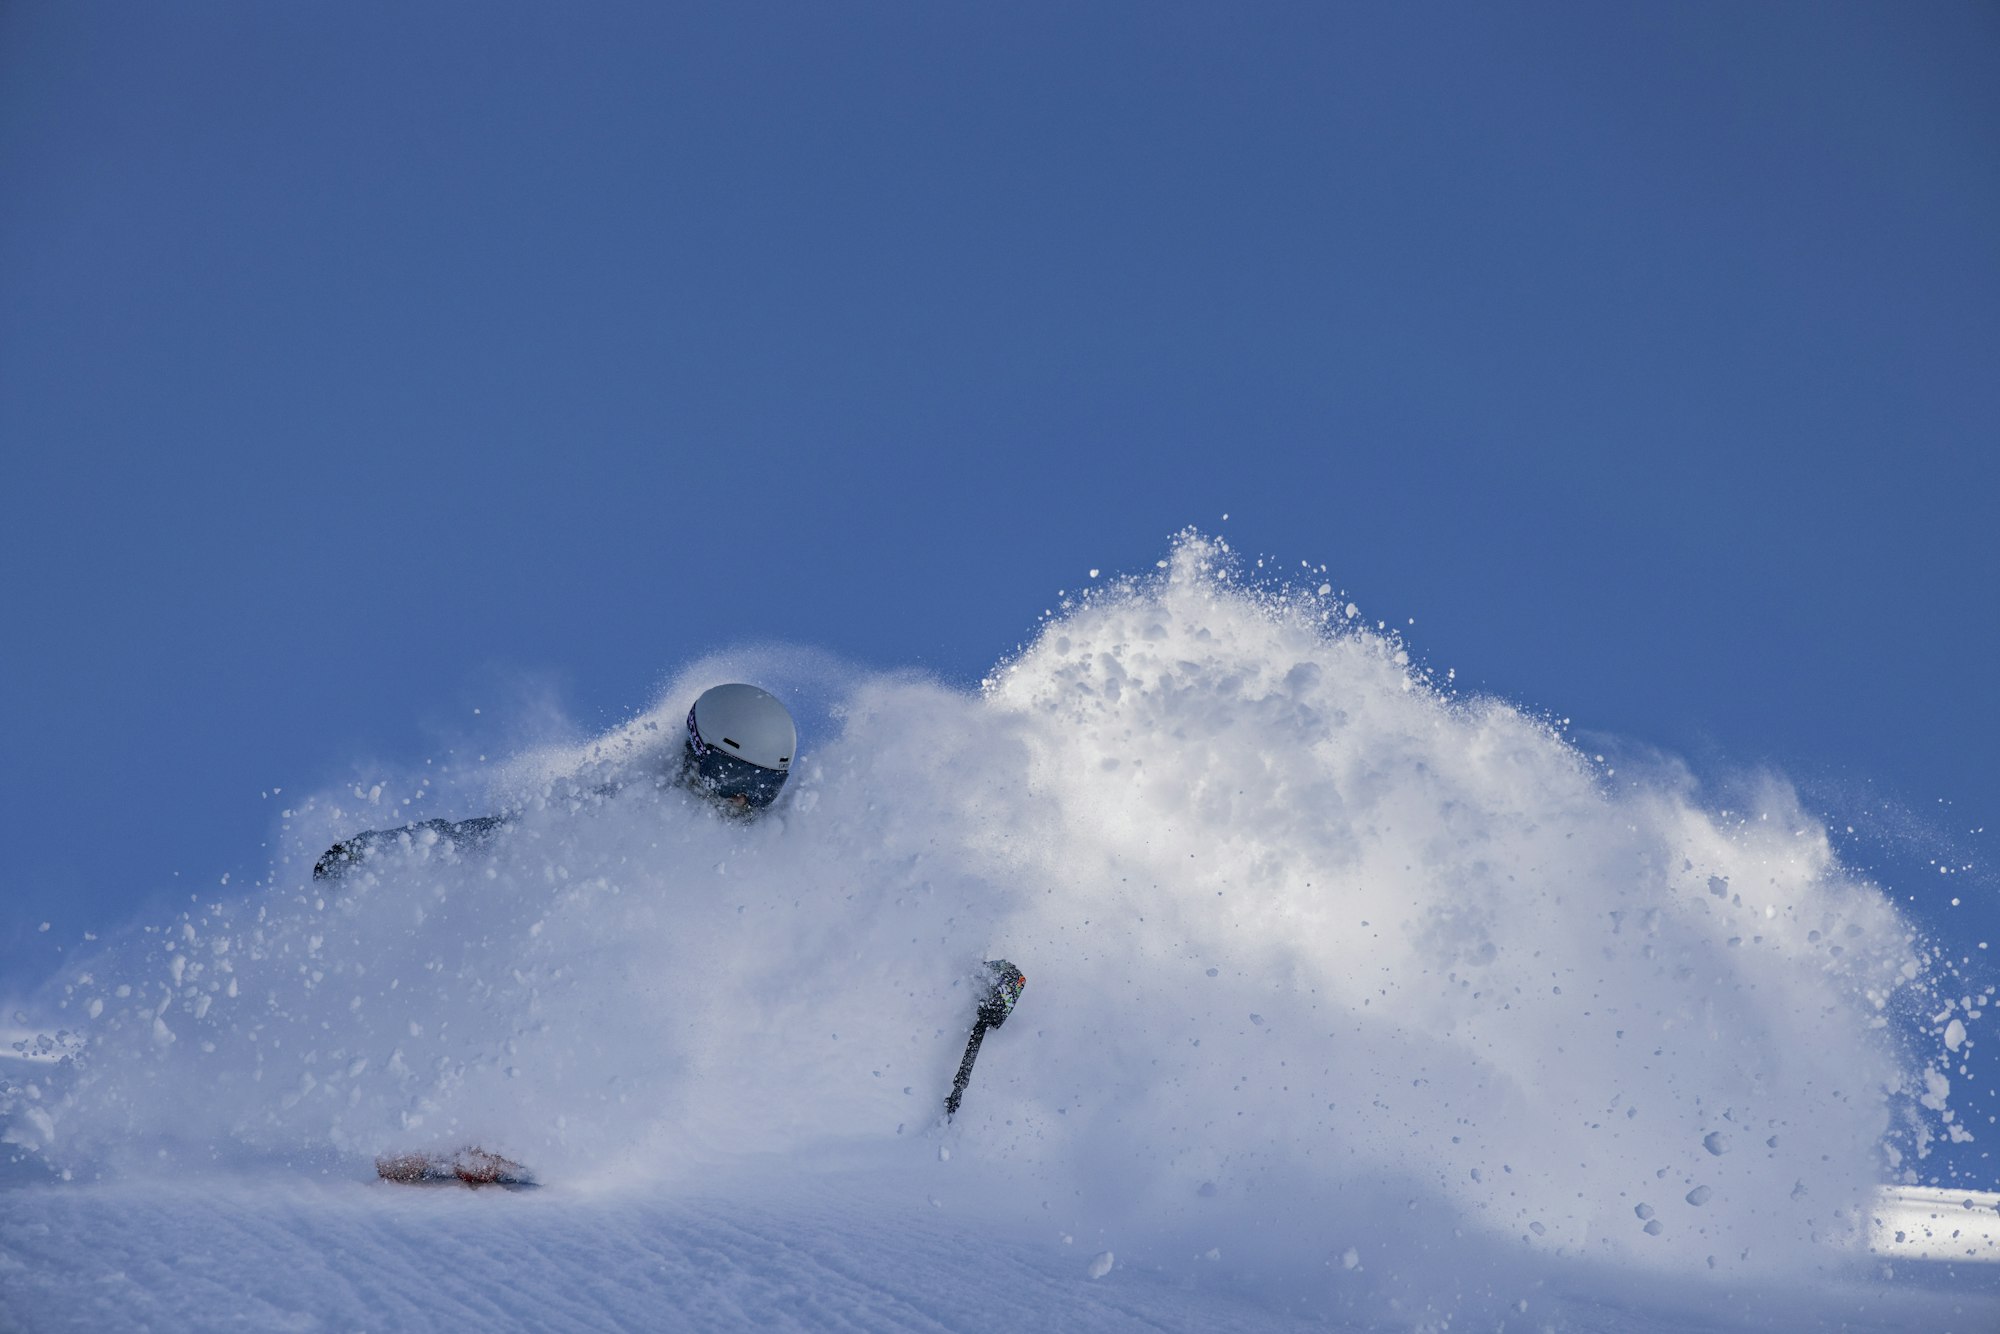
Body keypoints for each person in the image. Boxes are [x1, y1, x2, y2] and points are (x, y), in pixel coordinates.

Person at [313, 682, 796, 880]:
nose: (741, 799)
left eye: (762, 788)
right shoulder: (626, 809)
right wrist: (378, 854)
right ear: (696, 751)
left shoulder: (789, 833)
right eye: (731, 776)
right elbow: (494, 839)